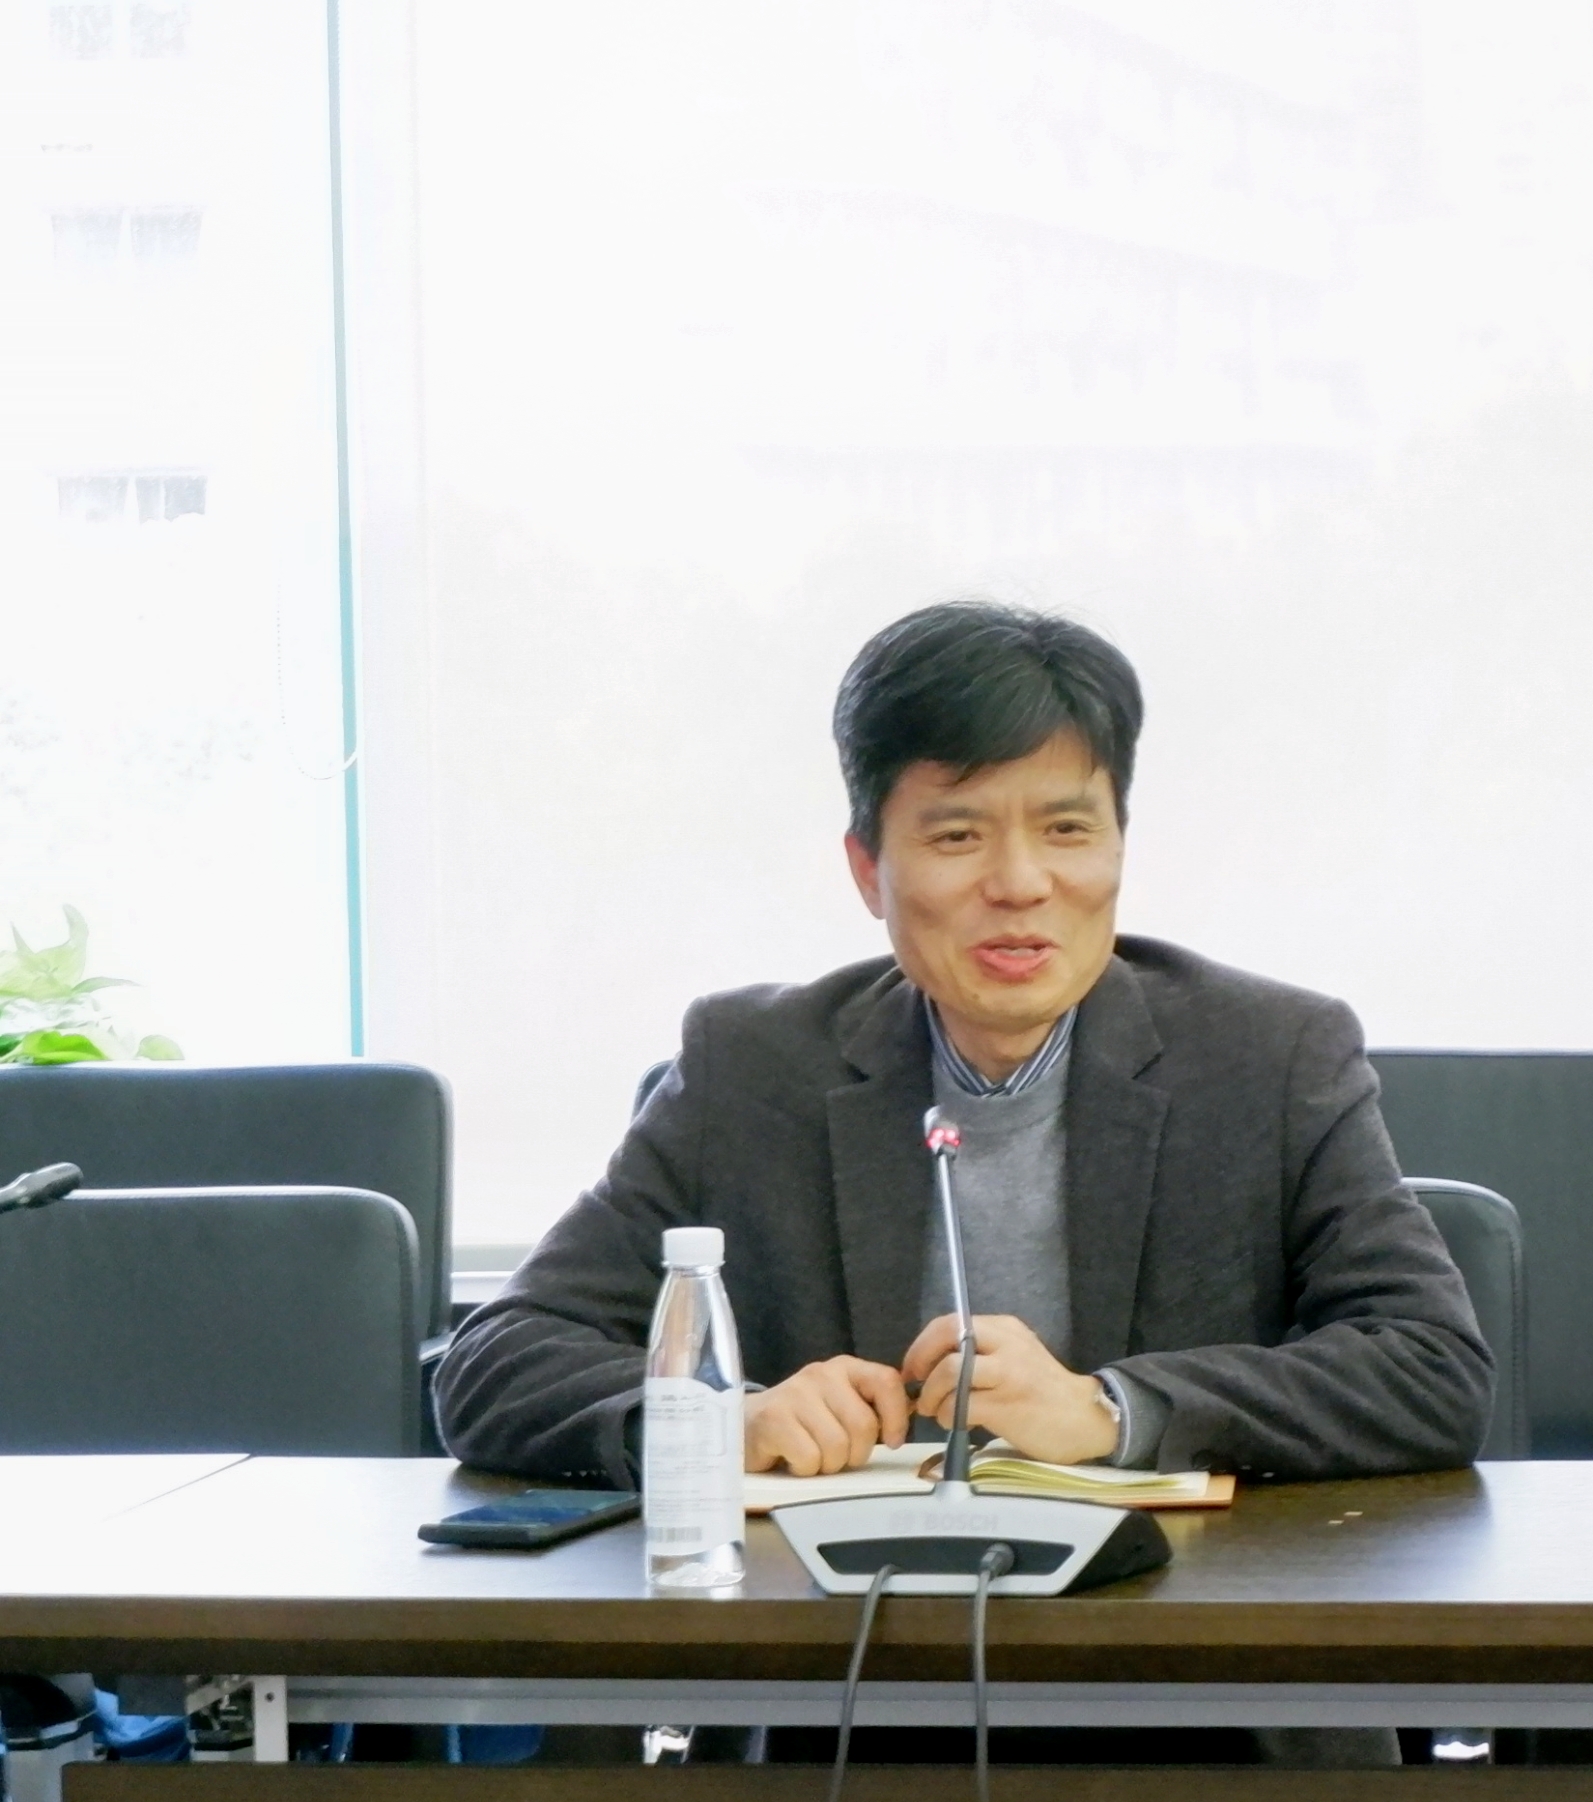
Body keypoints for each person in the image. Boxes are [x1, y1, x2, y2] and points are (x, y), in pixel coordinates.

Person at [438, 601, 1491, 1492]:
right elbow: (494, 1363)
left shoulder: (1271, 1058)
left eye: (1067, 829)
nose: (1021, 883)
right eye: (957, 835)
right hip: (844, 1643)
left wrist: (1111, 1411)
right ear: (867, 869)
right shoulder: (751, 1068)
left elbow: (1431, 1367)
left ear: (1120, 844)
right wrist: (721, 1422)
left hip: (1179, 1644)